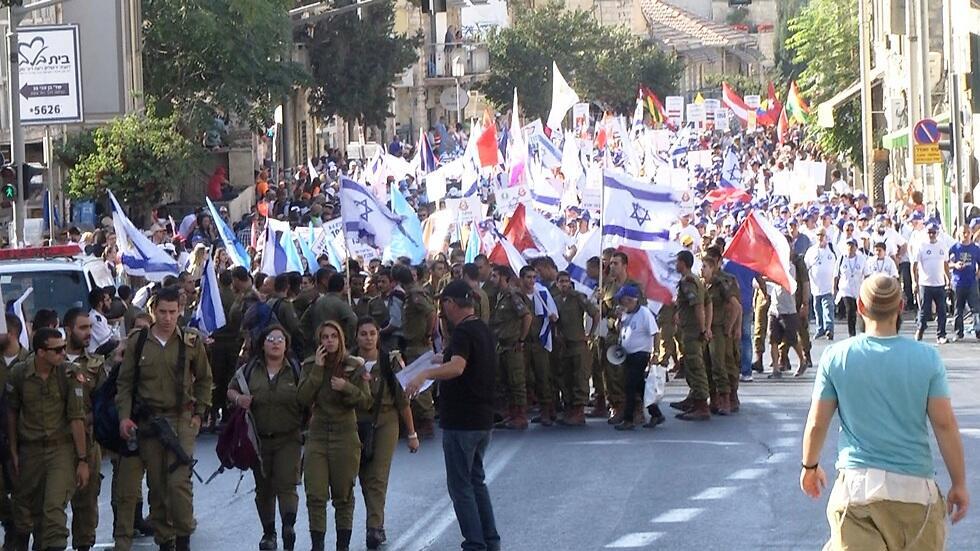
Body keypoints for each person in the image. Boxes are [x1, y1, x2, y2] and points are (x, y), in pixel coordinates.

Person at [800, 274, 969, 549]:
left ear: (861, 308)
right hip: (915, 495)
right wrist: (959, 483)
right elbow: (945, 425)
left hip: (857, 492)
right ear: (901, 307)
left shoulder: (836, 356)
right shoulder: (927, 358)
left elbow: (818, 423)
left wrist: (809, 466)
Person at [405, 280, 500, 551]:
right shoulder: (481, 328)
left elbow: (458, 367)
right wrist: (437, 360)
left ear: (450, 303)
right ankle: (490, 540)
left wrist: (424, 374)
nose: (442, 310)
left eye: (443, 303)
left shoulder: (462, 332)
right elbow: (462, 360)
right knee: (476, 482)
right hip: (482, 419)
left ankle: (474, 543)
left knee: (461, 487)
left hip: (463, 421)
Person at [116, 286, 213, 551]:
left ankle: (183, 538)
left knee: (179, 484)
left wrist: (198, 415)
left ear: (180, 311)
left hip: (180, 418)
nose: (168, 318)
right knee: (157, 487)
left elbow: (205, 380)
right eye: (163, 312)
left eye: (173, 312)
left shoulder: (191, 342)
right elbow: (125, 384)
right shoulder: (138, 341)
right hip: (149, 423)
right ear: (153, 311)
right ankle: (165, 540)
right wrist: (125, 417)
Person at [5, 327, 88, 550]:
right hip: (29, 450)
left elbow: (76, 418)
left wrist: (82, 459)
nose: (63, 353)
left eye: (64, 348)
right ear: (41, 352)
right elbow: (11, 412)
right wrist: (13, 451)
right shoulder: (19, 374)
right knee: (26, 509)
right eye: (58, 350)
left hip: (60, 450)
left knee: (53, 509)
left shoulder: (69, 374)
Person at [227, 325, 304, 551]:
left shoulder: (297, 370)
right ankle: (268, 533)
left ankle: (288, 527)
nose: (275, 343)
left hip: (289, 437)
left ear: (286, 345)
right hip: (258, 439)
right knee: (264, 488)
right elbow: (230, 389)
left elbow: (310, 394)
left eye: (280, 339)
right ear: (263, 344)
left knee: (287, 484)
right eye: (270, 338)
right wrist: (239, 398)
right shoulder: (250, 370)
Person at [297, 321, 372, 551]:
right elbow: (302, 398)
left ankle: (342, 546)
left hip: (345, 434)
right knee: (316, 495)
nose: (329, 341)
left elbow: (366, 402)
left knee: (343, 496)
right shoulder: (310, 365)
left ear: (340, 339)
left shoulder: (353, 366)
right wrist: (318, 370)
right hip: (318, 434)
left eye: (333, 336)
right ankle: (317, 546)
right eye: (324, 337)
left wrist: (346, 387)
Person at [351, 318, 419, 550]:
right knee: (363, 476)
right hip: (356, 423)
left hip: (386, 421)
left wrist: (412, 433)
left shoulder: (389, 361)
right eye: (363, 334)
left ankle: (374, 528)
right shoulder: (348, 362)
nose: (368, 338)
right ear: (356, 337)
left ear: (378, 336)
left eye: (372, 333)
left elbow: (402, 401)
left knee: (378, 476)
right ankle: (375, 520)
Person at [63, 308, 107, 551]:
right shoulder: (51, 362)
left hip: (88, 443)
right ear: (68, 330)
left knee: (87, 504)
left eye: (90, 327)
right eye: (83, 328)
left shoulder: (95, 365)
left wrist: (85, 420)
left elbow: (103, 404)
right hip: (56, 443)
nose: (88, 333)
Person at [669, 250, 711, 421]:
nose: (675, 265)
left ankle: (701, 405)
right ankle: (694, 399)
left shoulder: (688, 282)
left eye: (677, 261)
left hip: (692, 331)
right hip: (693, 330)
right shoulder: (696, 281)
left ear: (683, 263)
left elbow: (699, 306)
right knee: (692, 364)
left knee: (695, 366)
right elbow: (709, 303)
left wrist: (702, 329)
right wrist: (707, 327)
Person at [489, 265, 531, 430]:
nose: (491, 278)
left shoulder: (513, 295)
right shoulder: (500, 296)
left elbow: (526, 316)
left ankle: (520, 415)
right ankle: (511, 413)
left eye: (495, 275)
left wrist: (521, 339)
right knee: (505, 380)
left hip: (513, 345)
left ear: (504, 277)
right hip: (502, 345)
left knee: (517, 380)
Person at [612, 285, 659, 431]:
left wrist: (656, 353)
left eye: (623, 300)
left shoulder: (644, 313)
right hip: (628, 355)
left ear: (631, 300)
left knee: (630, 386)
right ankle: (656, 413)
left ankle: (628, 419)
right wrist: (619, 320)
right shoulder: (627, 314)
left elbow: (656, 333)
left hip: (640, 354)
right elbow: (620, 331)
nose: (621, 303)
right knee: (641, 387)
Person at [554, 271, 599, 426]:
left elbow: (595, 314)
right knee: (565, 378)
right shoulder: (556, 300)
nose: (564, 284)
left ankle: (579, 412)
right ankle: (569, 409)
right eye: (561, 281)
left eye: (566, 281)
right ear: (557, 283)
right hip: (564, 345)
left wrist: (591, 334)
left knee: (580, 378)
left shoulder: (577, 297)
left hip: (578, 344)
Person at [912, 222, 950, 344]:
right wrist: (914, 282)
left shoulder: (942, 246)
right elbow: (914, 265)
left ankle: (941, 335)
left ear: (937, 233)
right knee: (924, 311)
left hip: (939, 283)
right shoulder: (921, 246)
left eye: (934, 232)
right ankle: (920, 329)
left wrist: (948, 279)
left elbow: (945, 264)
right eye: (929, 232)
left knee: (942, 311)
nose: (931, 235)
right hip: (925, 283)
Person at [948, 225, 980, 341]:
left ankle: (978, 331)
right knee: (958, 309)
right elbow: (947, 264)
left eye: (967, 232)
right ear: (959, 234)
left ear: (971, 233)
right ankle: (958, 333)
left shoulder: (975, 249)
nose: (965, 235)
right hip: (958, 282)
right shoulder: (954, 248)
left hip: (971, 282)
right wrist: (955, 265)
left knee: (976, 309)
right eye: (963, 233)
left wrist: (978, 274)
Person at [805, 229, 837, 340]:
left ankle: (829, 329)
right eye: (818, 235)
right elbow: (806, 266)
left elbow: (838, 264)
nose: (820, 237)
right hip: (815, 287)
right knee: (817, 309)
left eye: (822, 235)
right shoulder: (811, 251)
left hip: (828, 286)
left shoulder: (832, 249)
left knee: (828, 307)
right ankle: (820, 329)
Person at [834, 238, 866, 337]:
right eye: (848, 245)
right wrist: (834, 289)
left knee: (860, 311)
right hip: (845, 288)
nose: (850, 247)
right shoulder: (841, 259)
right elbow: (836, 275)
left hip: (858, 289)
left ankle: (863, 331)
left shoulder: (861, 259)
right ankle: (851, 333)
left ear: (856, 247)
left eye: (852, 245)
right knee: (850, 309)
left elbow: (867, 274)